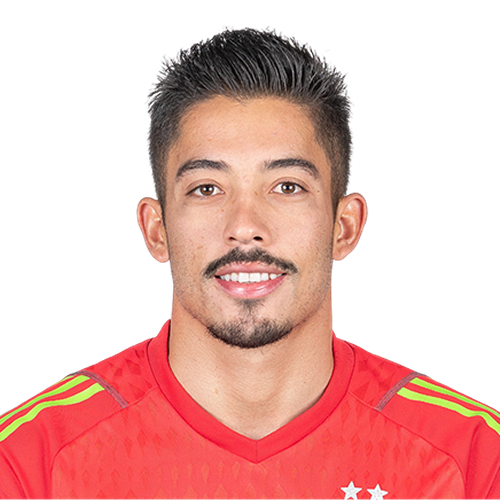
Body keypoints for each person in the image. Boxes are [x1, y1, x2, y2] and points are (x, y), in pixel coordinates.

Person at [1, 27, 498, 499]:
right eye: (206, 189)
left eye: (287, 186)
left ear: (344, 226)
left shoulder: (473, 454)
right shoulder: (29, 458)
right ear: (156, 230)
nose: (244, 226)